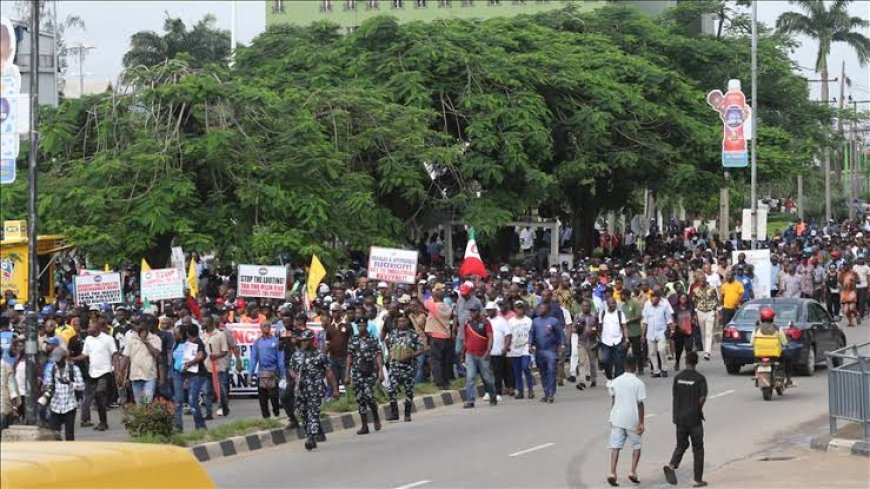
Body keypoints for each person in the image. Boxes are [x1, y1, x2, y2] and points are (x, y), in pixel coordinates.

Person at [289, 329, 340, 451]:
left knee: (314, 412)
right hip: (301, 389)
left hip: (315, 389)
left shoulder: (320, 355)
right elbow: (291, 369)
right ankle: (309, 435)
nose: (304, 343)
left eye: (306, 341)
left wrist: (335, 389)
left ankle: (311, 437)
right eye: (302, 341)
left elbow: (329, 372)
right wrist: (295, 377)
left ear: (312, 340)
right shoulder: (296, 355)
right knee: (303, 413)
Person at [663, 351, 708, 488]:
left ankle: (672, 465)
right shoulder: (700, 378)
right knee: (698, 448)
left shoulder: (678, 378)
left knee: (681, 444)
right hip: (694, 418)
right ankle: (697, 479)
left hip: (680, 418)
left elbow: (675, 395)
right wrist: (697, 408)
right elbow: (702, 397)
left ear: (685, 361)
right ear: (696, 362)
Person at [607, 356, 646, 487]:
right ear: (635, 367)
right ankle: (632, 471)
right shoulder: (638, 383)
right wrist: (641, 422)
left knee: (615, 446)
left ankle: (612, 472)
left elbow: (613, 399)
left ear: (624, 366)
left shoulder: (615, 381)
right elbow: (640, 404)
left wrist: (612, 415)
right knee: (636, 446)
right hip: (632, 419)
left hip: (617, 417)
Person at [344, 316, 384, 434]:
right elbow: (350, 356)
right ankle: (364, 425)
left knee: (368, 396)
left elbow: (378, 354)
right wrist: (347, 373)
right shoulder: (353, 339)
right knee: (360, 398)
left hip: (370, 372)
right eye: (358, 326)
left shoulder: (372, 339)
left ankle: (376, 417)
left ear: (367, 325)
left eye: (362, 325)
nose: (360, 327)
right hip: (357, 372)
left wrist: (381, 370)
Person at [81, 319, 118, 431]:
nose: (88, 329)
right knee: (95, 399)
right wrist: (72, 359)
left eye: (90, 327)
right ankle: (103, 422)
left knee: (99, 394)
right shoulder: (88, 339)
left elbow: (115, 354)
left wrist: (117, 370)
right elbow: (84, 355)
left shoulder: (108, 339)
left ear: (97, 328)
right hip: (92, 373)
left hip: (105, 372)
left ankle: (103, 422)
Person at [385, 315, 422, 422]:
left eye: (404, 321)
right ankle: (394, 413)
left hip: (408, 367)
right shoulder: (393, 333)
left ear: (408, 322)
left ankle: (407, 414)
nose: (401, 323)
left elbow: (421, 349)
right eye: (399, 321)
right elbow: (388, 344)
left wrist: (411, 356)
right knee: (392, 390)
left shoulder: (413, 334)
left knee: (408, 390)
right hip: (395, 366)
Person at [461, 303, 497, 408]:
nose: (472, 313)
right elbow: (466, 340)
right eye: (471, 311)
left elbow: (490, 336)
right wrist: (463, 354)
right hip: (470, 354)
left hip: (483, 354)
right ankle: (470, 400)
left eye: (474, 311)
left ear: (479, 311)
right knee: (470, 377)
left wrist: (488, 350)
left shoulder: (485, 322)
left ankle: (492, 395)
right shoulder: (467, 323)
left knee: (487, 378)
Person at [45, 347, 84, 440]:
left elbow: (82, 386)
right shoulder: (52, 369)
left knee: (69, 434)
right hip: (55, 405)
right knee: (54, 434)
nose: (57, 363)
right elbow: (48, 383)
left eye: (58, 360)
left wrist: (70, 383)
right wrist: (48, 388)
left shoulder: (73, 369)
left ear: (64, 358)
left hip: (70, 405)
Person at [122, 314, 162, 406]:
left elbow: (156, 354)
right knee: (139, 404)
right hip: (135, 376)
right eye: (136, 324)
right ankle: (143, 420)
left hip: (150, 376)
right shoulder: (131, 338)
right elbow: (126, 357)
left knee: (147, 402)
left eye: (139, 324)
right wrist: (122, 373)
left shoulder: (155, 338)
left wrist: (146, 342)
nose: (136, 326)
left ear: (146, 326)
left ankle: (148, 419)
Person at [249, 320, 285, 419]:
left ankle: (276, 412)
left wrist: (283, 375)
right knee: (262, 398)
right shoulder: (258, 342)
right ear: (261, 328)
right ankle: (266, 417)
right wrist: (250, 374)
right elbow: (253, 359)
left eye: (268, 325)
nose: (266, 327)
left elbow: (280, 359)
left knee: (274, 396)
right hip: (262, 373)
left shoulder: (276, 341)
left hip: (273, 372)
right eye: (264, 326)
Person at [530, 301, 564, 403]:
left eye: (542, 308)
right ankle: (546, 393)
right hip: (539, 351)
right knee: (543, 373)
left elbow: (560, 335)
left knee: (551, 371)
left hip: (551, 351)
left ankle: (551, 393)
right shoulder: (535, 321)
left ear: (548, 310)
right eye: (539, 308)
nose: (540, 310)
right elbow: (531, 334)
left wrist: (561, 345)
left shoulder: (554, 321)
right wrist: (530, 344)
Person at [180, 323, 209, 430]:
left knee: (192, 400)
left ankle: (200, 424)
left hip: (198, 374)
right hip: (192, 375)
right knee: (192, 400)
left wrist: (189, 363)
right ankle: (199, 425)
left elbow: (200, 356)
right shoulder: (191, 343)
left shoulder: (197, 342)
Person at [202, 315, 230, 419]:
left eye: (204, 322)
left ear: (209, 323)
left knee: (221, 390)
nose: (202, 324)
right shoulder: (202, 336)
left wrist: (216, 356)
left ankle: (224, 406)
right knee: (206, 391)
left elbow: (225, 351)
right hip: (206, 368)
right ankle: (209, 413)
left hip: (219, 368)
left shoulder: (220, 335)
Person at [643, 291, 674, 378]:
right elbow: (645, 321)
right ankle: (656, 370)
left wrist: (672, 331)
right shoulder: (647, 305)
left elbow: (669, 319)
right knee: (652, 352)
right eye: (651, 297)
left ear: (659, 298)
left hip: (661, 331)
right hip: (650, 332)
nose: (652, 299)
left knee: (661, 350)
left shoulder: (664, 306)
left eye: (654, 297)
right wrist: (643, 334)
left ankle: (664, 369)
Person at [507, 300, 534, 399]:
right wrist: (507, 346)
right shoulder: (510, 321)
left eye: (521, 307)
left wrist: (532, 345)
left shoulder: (528, 320)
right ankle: (520, 391)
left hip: (526, 347)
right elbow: (508, 335)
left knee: (526, 367)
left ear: (524, 308)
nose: (519, 309)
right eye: (517, 307)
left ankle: (530, 390)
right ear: (514, 309)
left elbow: (532, 334)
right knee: (517, 371)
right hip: (514, 348)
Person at [487, 301, 513, 400]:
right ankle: (492, 391)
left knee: (500, 372)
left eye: (490, 310)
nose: (488, 312)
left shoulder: (501, 320)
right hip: (489, 351)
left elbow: (508, 335)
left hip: (499, 350)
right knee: (491, 372)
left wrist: (505, 347)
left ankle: (499, 391)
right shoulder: (486, 321)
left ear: (494, 310)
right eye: (487, 310)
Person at [599, 297, 629, 382]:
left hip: (618, 341)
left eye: (614, 303)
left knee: (618, 362)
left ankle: (617, 380)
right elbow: (600, 327)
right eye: (611, 303)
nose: (613, 305)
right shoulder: (603, 313)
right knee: (605, 360)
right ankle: (609, 376)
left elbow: (624, 327)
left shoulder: (620, 314)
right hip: (605, 341)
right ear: (607, 304)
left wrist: (626, 339)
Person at [692, 275, 718, 361]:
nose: (701, 281)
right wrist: (695, 313)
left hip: (710, 312)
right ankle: (705, 350)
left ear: (705, 279)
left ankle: (707, 352)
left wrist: (716, 311)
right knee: (703, 333)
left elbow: (716, 300)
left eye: (702, 279)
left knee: (708, 333)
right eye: (699, 279)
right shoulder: (696, 290)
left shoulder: (712, 289)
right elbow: (694, 302)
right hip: (700, 312)